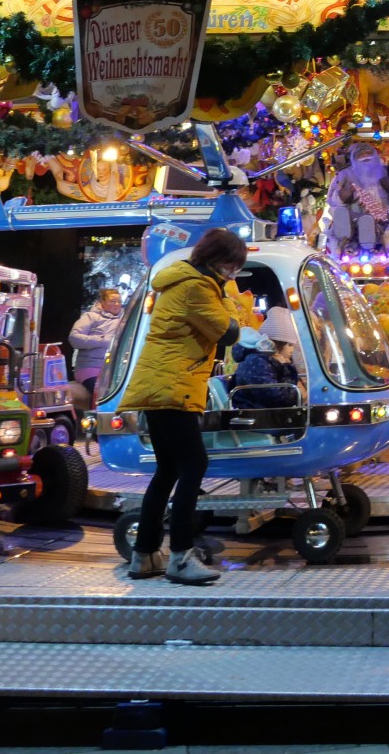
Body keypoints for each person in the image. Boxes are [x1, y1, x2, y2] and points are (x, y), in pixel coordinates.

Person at [118, 227, 247, 585]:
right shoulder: (197, 287)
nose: (232, 273)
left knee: (169, 469)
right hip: (172, 385)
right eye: (231, 266)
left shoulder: (182, 282)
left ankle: (144, 556)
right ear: (215, 260)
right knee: (194, 463)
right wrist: (231, 296)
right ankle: (181, 556)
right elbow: (230, 332)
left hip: (162, 383)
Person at [229, 307, 302, 408]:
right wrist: (286, 369)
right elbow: (277, 398)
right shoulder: (256, 363)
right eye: (289, 345)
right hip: (255, 415)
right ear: (276, 344)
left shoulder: (269, 361)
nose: (292, 350)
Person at [70, 288, 125, 396]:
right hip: (90, 368)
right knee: (102, 393)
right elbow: (74, 338)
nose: (117, 304)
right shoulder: (91, 317)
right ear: (102, 303)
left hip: (114, 370)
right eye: (113, 301)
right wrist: (101, 340)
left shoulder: (125, 321)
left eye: (119, 301)